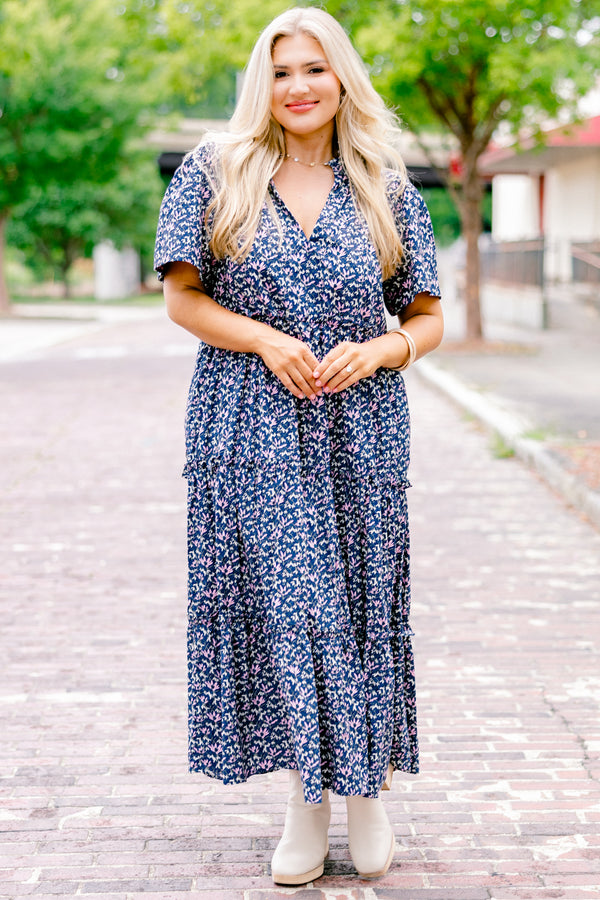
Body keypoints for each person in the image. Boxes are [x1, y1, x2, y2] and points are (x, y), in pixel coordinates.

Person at [154, 6, 443, 886]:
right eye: (282, 72)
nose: (299, 87)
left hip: (361, 426)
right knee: (293, 606)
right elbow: (183, 300)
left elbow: (428, 320)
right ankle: (306, 802)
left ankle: (368, 796)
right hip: (251, 422)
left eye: (314, 68)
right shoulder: (216, 171)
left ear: (340, 77)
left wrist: (382, 349)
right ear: (262, 83)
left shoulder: (387, 188)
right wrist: (264, 339)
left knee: (357, 603)